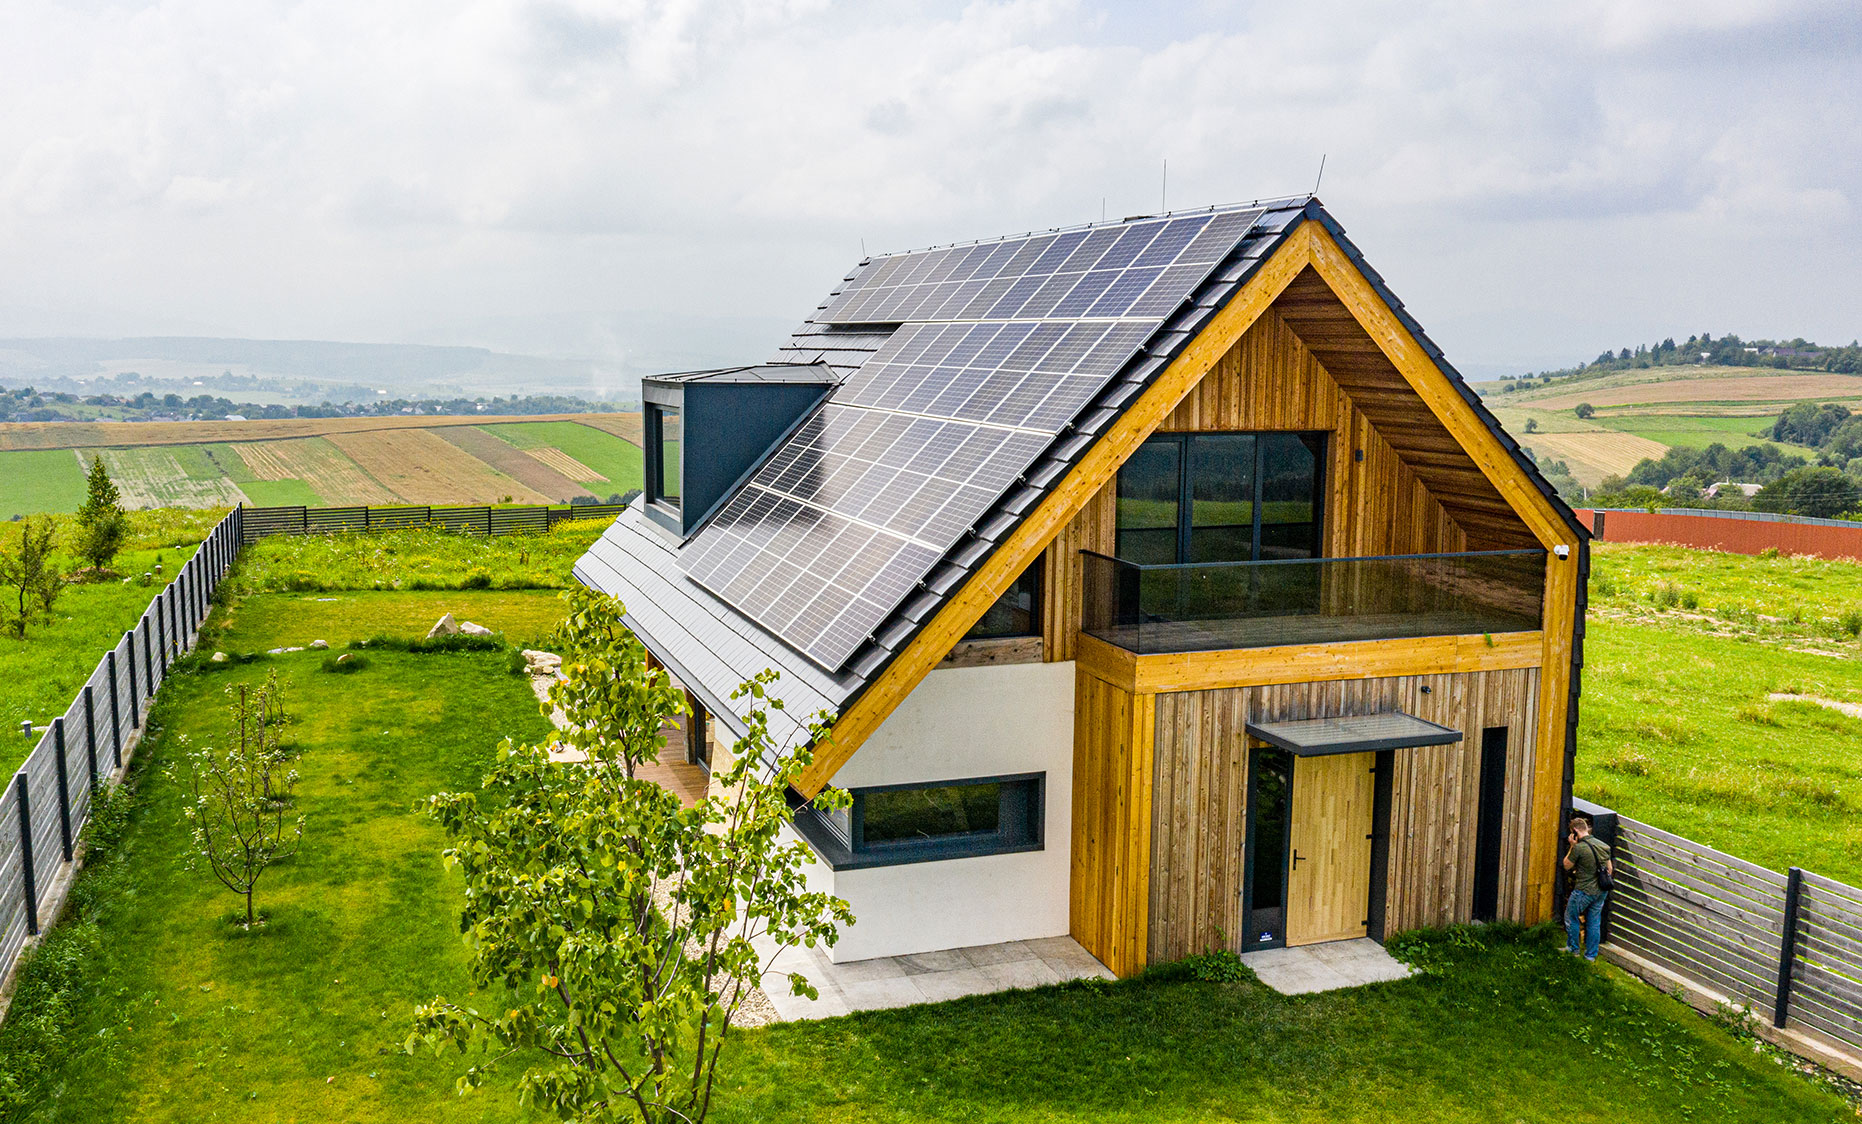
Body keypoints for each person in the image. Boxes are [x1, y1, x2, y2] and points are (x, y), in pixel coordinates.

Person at [1562, 814, 1613, 961]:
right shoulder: (1604, 846)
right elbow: (1609, 869)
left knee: (1571, 917)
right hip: (1601, 891)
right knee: (1594, 922)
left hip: (1583, 891)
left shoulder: (1579, 848)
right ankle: (1590, 956)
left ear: (1575, 832)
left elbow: (1566, 865)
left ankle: (1573, 949)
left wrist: (1572, 846)